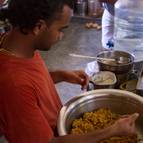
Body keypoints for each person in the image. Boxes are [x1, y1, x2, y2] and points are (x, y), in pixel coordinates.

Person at [0, 0, 139, 143]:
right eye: (61, 29)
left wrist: (60, 75)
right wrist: (112, 131)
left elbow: (31, 83)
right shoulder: (13, 84)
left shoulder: (18, 45)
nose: (61, 36)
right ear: (39, 27)